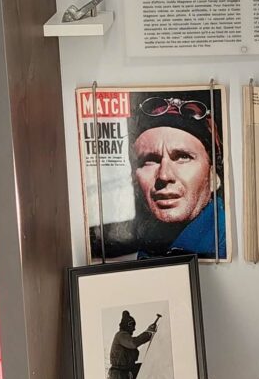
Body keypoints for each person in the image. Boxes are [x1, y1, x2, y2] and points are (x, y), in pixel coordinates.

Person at [91, 93, 227, 260]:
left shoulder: (225, 246)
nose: (164, 175)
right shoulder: (146, 247)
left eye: (183, 157)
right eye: (150, 160)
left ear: (214, 177)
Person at [108, 310, 160, 379]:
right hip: (119, 376)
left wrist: (148, 333)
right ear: (128, 325)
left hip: (124, 372)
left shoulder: (124, 337)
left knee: (145, 367)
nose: (134, 329)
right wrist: (148, 333)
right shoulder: (121, 335)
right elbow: (133, 343)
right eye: (133, 326)